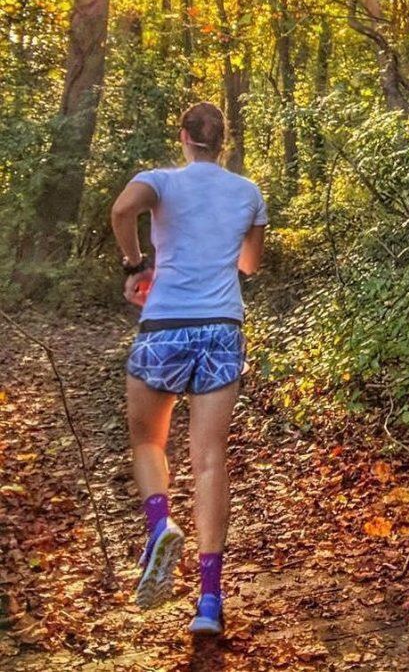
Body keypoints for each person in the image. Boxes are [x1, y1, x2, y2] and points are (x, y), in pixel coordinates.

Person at [110, 102, 267, 636]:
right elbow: (250, 265)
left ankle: (159, 525)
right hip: (222, 329)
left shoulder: (160, 182)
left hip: (164, 328)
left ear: (183, 137)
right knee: (209, 460)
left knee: (148, 442)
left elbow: (121, 210)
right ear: (222, 142)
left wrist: (137, 266)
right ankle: (209, 601)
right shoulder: (247, 193)